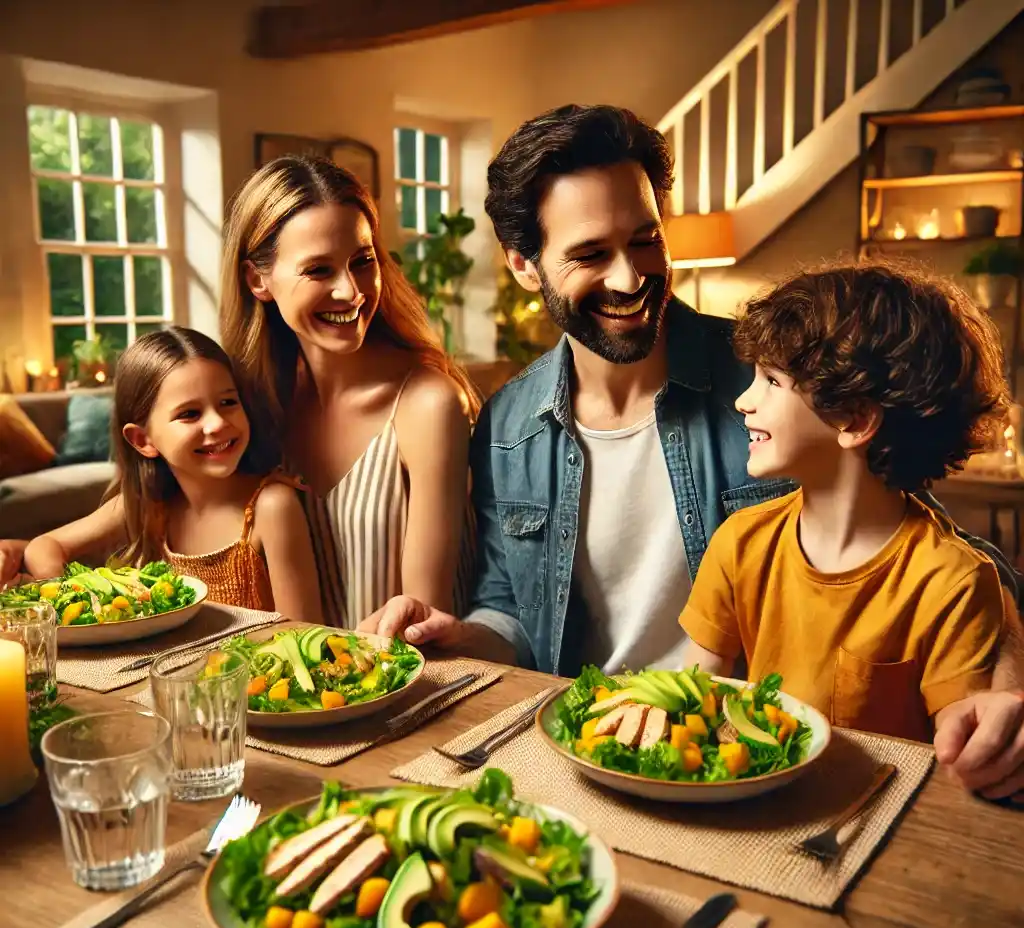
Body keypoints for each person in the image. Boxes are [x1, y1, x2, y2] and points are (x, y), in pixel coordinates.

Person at [363, 104, 1024, 800]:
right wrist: (458, 637)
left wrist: (1002, 688)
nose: (628, 278)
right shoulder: (507, 422)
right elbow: (512, 613)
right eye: (590, 255)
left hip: (734, 759)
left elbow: (932, 544)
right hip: (583, 751)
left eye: (645, 240)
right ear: (525, 265)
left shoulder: (776, 384)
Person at [677, 260, 1010, 744]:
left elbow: (962, 748)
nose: (743, 401)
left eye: (771, 381)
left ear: (854, 419)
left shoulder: (953, 584)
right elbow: (694, 700)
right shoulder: (740, 543)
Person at [220, 154, 479, 628]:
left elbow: (423, 623)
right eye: (318, 270)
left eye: (363, 261)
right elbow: (160, 501)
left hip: (413, 686)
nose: (351, 291)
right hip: (290, 693)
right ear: (258, 280)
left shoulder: (428, 405)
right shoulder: (249, 406)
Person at [20, 327, 321, 620]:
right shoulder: (148, 505)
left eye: (228, 402)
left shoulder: (271, 507)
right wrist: (75, 600)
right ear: (143, 440)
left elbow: (304, 631)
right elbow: (43, 547)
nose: (217, 423)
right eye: (190, 413)